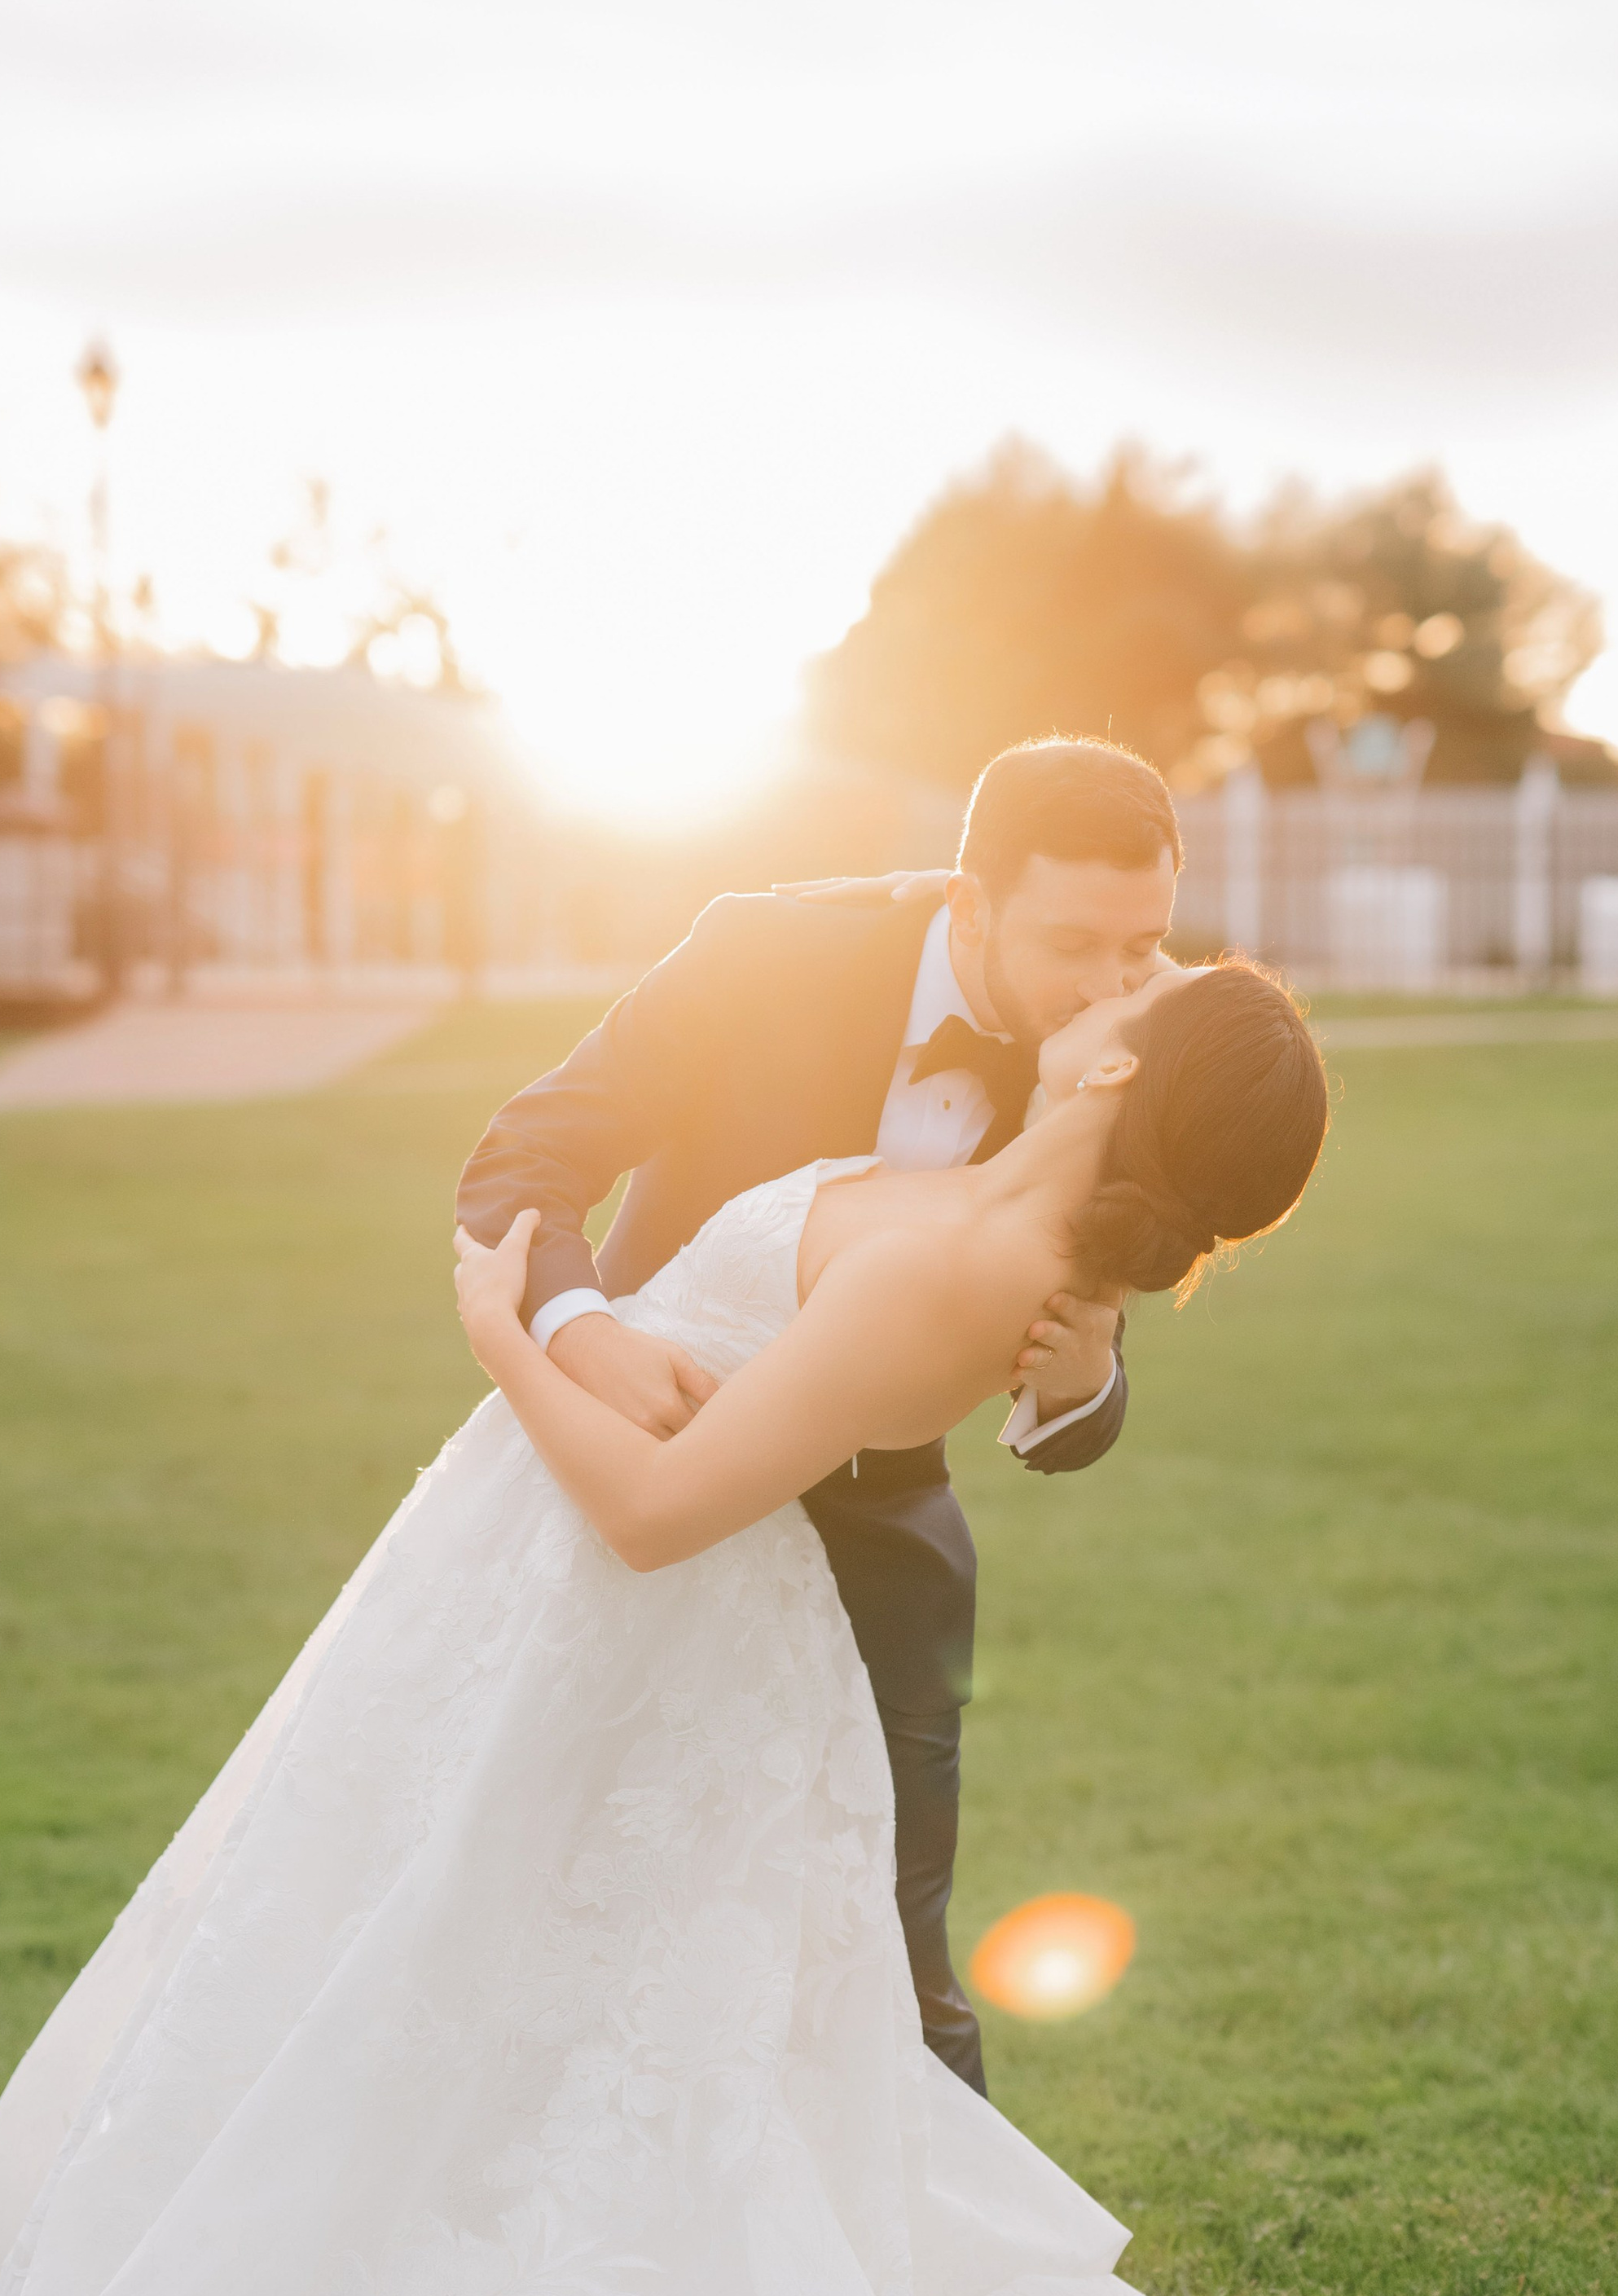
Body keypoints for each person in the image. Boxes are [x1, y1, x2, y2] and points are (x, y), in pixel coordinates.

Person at [0, 952, 1326, 2296]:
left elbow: (652, 1512)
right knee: (405, 1984)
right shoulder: (984, 1218)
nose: (1124, 973)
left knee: (440, 2005)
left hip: (629, 1640)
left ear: (1123, 1061)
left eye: (1152, 980)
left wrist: (504, 1333)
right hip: (525, 1598)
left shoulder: (973, 1264)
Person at [458, 737, 1188, 2096]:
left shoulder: (1127, 1043)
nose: (1112, 986)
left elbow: (1077, 1400)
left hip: (882, 1524)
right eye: (1074, 942)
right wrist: (583, 1329)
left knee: (891, 1956)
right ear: (971, 906)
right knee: (567, 1899)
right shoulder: (767, 954)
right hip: (651, 1465)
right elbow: (522, 1159)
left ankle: (933, 2292)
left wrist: (1083, 1369)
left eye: (1143, 943)